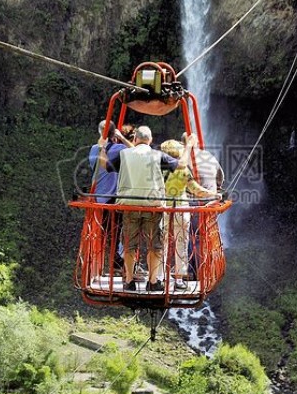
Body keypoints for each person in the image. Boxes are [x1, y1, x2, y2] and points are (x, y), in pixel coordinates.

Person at [99, 126, 195, 293]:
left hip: (129, 205)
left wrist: (101, 146)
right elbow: (181, 165)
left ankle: (129, 281)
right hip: (152, 206)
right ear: (150, 141)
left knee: (129, 244)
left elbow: (105, 165)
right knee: (154, 244)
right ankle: (153, 281)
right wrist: (189, 146)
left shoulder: (124, 155)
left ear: (135, 139)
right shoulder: (157, 155)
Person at [159, 139, 216, 291]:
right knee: (181, 244)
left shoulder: (158, 169)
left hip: (162, 209)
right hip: (180, 209)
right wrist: (214, 194)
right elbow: (197, 190)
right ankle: (179, 279)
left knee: (161, 243)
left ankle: (159, 276)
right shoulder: (183, 171)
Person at [88, 120, 130, 273]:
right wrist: (123, 138)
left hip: (98, 196)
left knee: (105, 232)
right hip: (113, 197)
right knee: (116, 231)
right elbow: (137, 152)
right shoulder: (121, 149)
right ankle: (118, 262)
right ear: (115, 133)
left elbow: (94, 167)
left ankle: (114, 262)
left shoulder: (94, 149)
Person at [184, 135, 223, 281]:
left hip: (193, 205)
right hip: (209, 205)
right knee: (201, 237)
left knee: (188, 236)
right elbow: (220, 178)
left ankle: (190, 270)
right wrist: (216, 189)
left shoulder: (183, 160)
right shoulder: (210, 157)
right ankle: (202, 270)